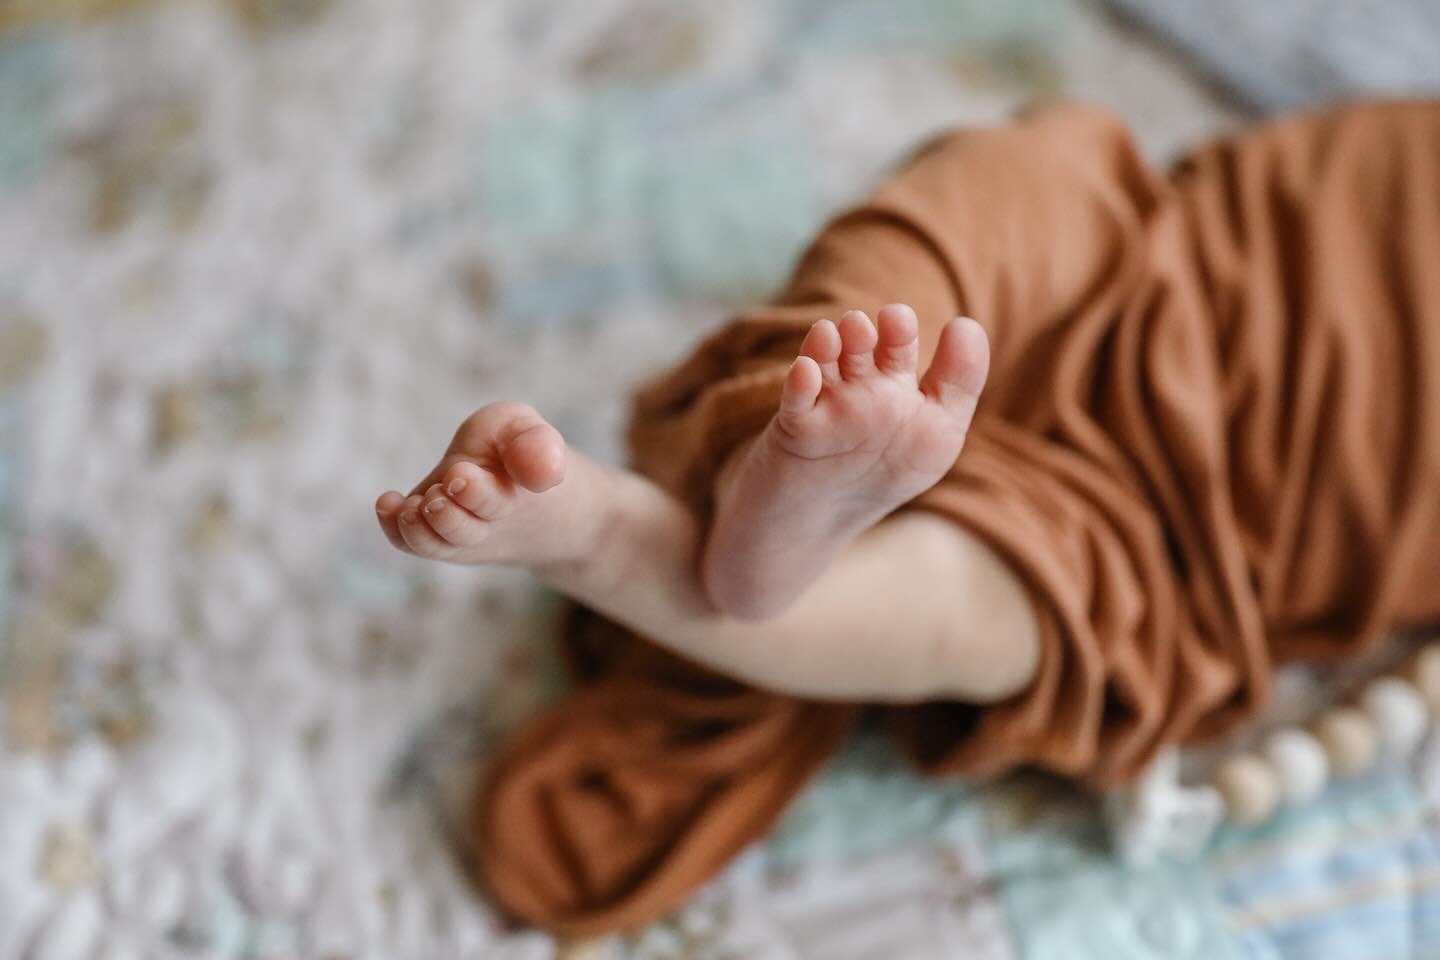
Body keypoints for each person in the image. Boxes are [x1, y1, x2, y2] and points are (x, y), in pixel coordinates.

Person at [375, 99, 1440, 934]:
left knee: (1011, 607)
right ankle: (782, 449)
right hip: (1137, 258)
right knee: (970, 223)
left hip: (1179, 533)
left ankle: (645, 540)